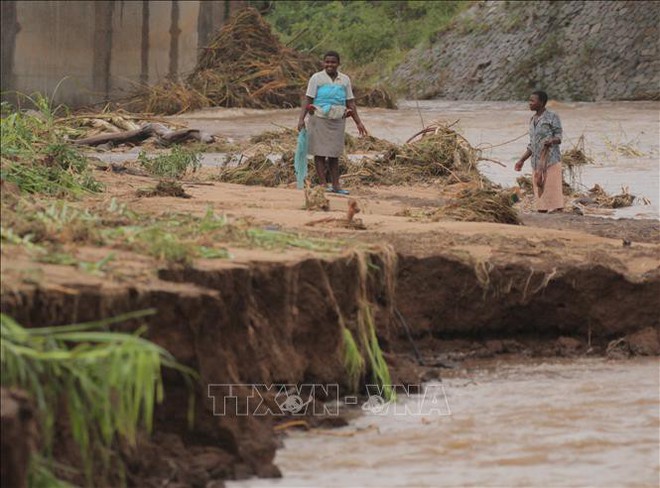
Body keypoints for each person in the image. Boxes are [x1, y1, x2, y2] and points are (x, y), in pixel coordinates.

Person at [297, 51, 367, 195]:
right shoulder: (316, 78)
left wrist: (358, 122)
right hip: (318, 118)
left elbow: (350, 102)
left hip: (338, 120)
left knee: (334, 154)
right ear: (323, 63)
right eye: (327, 62)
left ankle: (336, 185)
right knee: (320, 153)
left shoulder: (345, 79)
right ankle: (323, 184)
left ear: (338, 64)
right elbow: (308, 99)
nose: (330, 65)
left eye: (333, 62)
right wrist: (301, 119)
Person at [514, 90, 564, 213]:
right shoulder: (532, 120)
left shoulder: (552, 117)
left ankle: (557, 211)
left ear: (541, 103)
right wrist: (522, 160)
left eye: (532, 101)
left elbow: (559, 137)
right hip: (536, 162)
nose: (529, 103)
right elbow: (532, 145)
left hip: (550, 160)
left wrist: (551, 141)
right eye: (529, 100)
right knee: (539, 189)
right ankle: (542, 210)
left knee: (553, 190)